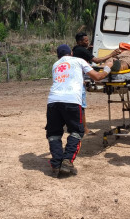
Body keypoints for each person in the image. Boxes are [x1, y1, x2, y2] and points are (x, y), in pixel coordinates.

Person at [46, 44, 114, 177]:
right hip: (72, 100)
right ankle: (67, 161)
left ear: (58, 56)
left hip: (53, 101)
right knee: (76, 131)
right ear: (71, 53)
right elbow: (98, 77)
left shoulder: (55, 65)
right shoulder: (79, 60)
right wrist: (108, 67)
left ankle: (56, 164)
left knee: (54, 134)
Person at [72, 32, 120, 135]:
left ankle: (78, 126)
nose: (88, 42)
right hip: (79, 81)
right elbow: (97, 60)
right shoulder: (82, 50)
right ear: (79, 42)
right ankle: (85, 129)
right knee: (81, 106)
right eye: (86, 41)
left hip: (75, 78)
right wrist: (112, 54)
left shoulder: (76, 49)